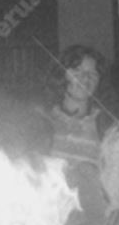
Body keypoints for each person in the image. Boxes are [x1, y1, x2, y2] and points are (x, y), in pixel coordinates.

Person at [39, 45, 110, 214]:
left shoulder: (106, 125)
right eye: (77, 71)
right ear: (61, 75)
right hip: (49, 217)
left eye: (92, 73)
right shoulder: (43, 122)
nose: (85, 78)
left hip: (92, 219)